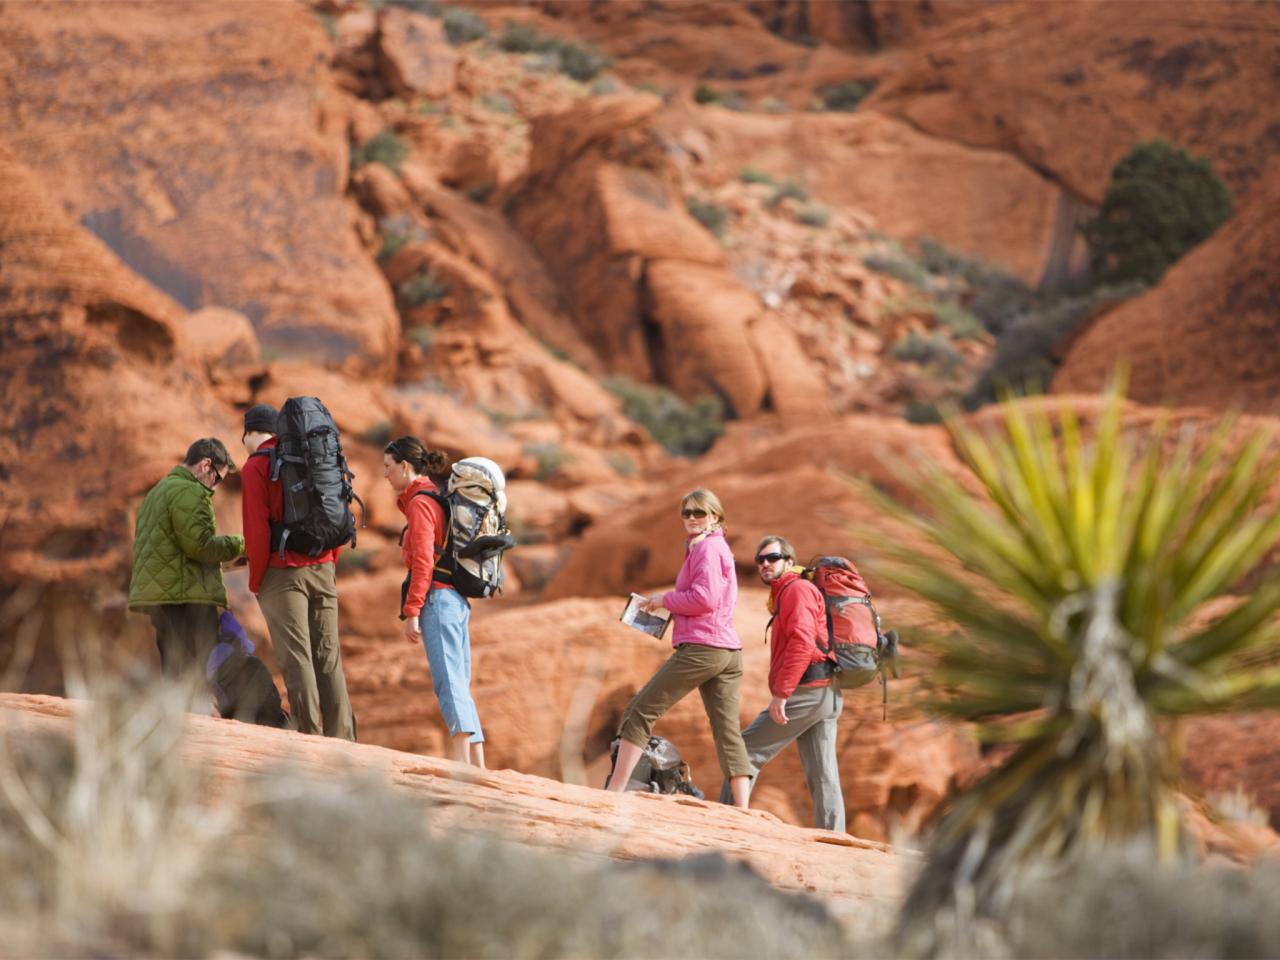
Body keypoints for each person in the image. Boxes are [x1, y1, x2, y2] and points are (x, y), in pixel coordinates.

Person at [607, 488, 752, 806]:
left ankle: (614, 793)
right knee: (727, 732)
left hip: (704, 648)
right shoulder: (714, 547)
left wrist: (664, 600)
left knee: (641, 710)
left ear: (715, 516)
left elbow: (705, 598)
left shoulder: (708, 550)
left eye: (699, 512)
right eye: (686, 513)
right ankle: (743, 811)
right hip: (727, 650)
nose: (691, 518)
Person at [241, 403, 356, 741]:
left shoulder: (256, 466)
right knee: (328, 656)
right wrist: (329, 560)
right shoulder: (312, 457)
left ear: (250, 433)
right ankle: (344, 738)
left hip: (281, 571)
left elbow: (257, 531)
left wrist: (257, 580)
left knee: (297, 658)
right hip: (322, 565)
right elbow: (336, 512)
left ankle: (310, 738)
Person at [720, 535, 845, 831]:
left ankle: (724, 824)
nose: (765, 564)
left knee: (744, 751)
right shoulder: (792, 591)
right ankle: (834, 839)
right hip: (827, 691)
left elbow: (802, 642)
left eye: (772, 558)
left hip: (808, 690)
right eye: (760, 560)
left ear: (789, 561)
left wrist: (781, 693)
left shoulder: (795, 590)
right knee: (823, 772)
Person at [385, 436, 485, 767]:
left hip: (438, 601)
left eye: (388, 467)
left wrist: (412, 610)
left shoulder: (419, 503)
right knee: (459, 679)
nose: (385, 475)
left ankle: (462, 763)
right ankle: (477, 762)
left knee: (448, 682)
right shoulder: (434, 496)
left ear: (404, 466)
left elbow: (424, 561)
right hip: (455, 600)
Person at [128, 438, 245, 677]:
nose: (215, 487)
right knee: (200, 671)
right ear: (205, 465)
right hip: (187, 598)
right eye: (218, 478)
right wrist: (241, 544)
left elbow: (171, 549)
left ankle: (177, 715)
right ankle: (195, 714)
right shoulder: (190, 491)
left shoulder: (156, 493)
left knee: (173, 670)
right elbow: (199, 547)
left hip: (161, 596)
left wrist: (222, 563)